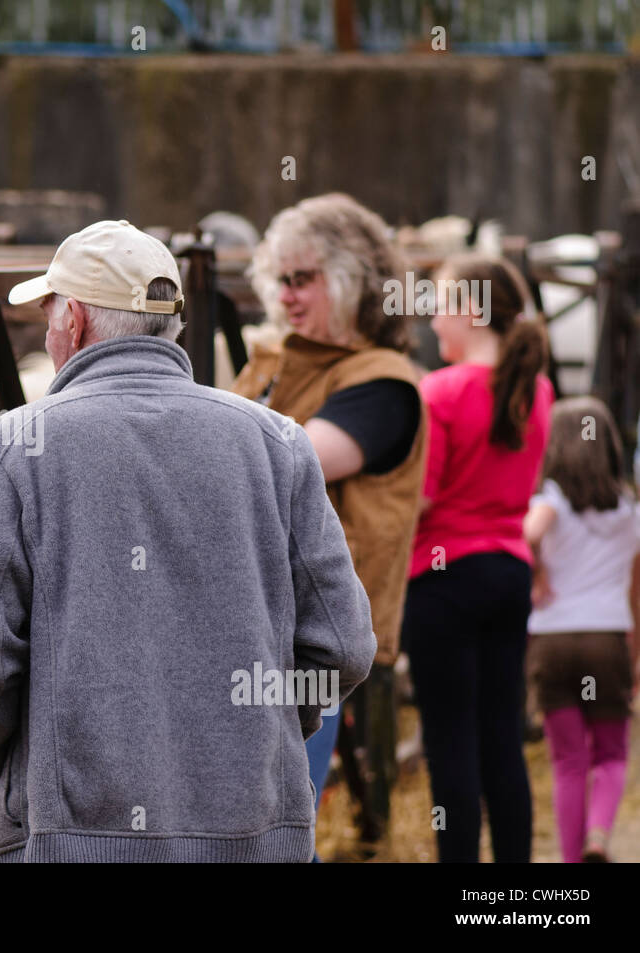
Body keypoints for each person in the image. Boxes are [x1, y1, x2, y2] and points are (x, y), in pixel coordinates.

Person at [0, 219, 376, 863]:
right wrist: (262, 735)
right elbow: (344, 646)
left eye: (52, 314)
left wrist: (8, 767)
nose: (52, 331)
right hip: (254, 837)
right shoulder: (278, 443)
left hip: (72, 839)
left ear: (76, 322)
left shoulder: (12, 449)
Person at [231, 193, 426, 853]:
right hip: (245, 628)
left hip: (316, 643)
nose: (286, 295)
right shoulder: (275, 359)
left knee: (282, 827)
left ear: (351, 280)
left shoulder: (382, 382)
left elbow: (288, 462)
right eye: (279, 279)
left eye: (303, 278)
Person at [401, 253, 554, 863]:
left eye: (439, 305)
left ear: (471, 309)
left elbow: (426, 495)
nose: (434, 321)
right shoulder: (535, 391)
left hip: (443, 577)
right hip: (509, 571)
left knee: (449, 742)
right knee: (502, 737)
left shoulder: (439, 391)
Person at [523, 396, 640, 863]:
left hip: (552, 641)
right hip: (607, 639)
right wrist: (635, 658)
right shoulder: (630, 512)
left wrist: (537, 575)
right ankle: (597, 836)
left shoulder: (550, 499)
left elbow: (528, 533)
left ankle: (573, 866)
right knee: (610, 754)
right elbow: (637, 596)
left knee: (568, 762)